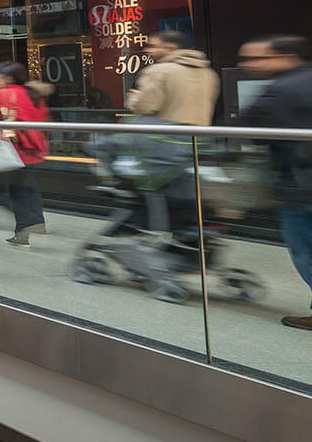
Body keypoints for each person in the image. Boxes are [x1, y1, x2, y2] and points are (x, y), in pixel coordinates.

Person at [234, 35, 312, 330]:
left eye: (256, 59)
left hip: (300, 184)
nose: (248, 65)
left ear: (284, 57)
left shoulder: (280, 90)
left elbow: (251, 131)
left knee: (306, 250)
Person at [0, 62, 51, 247]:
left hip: (12, 150)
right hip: (34, 147)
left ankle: (25, 228)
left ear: (9, 78)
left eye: (0, 77)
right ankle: (36, 222)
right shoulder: (35, 95)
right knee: (28, 189)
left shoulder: (2, 93)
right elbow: (43, 117)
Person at [129, 30, 217, 126]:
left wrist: (134, 98)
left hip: (167, 136)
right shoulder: (209, 73)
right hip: (201, 136)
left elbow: (144, 107)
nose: (146, 50)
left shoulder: (159, 71)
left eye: (153, 46)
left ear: (170, 49)